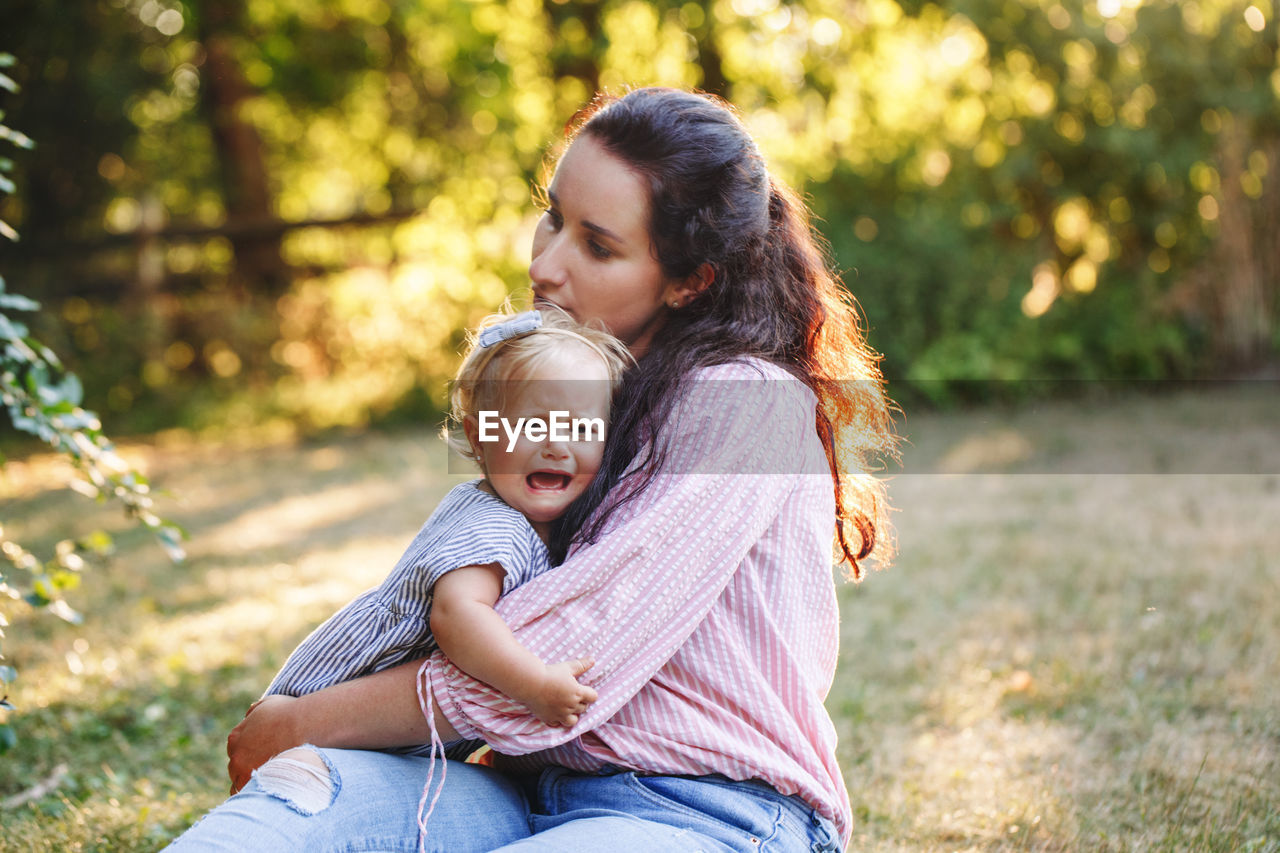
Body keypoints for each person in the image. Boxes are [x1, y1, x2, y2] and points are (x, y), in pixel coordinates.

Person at [166, 87, 896, 853]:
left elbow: (576, 648)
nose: (545, 264)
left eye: (598, 245)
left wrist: (299, 720)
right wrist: (304, 742)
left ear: (691, 281)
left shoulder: (748, 404)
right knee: (303, 791)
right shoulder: (583, 398)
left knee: (302, 747)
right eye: (552, 216)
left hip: (709, 816)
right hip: (521, 794)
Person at [261, 307, 629, 736]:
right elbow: (457, 616)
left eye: (580, 430)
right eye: (531, 426)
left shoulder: (518, 516)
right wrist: (535, 684)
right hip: (335, 703)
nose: (555, 446)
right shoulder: (496, 526)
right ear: (480, 437)